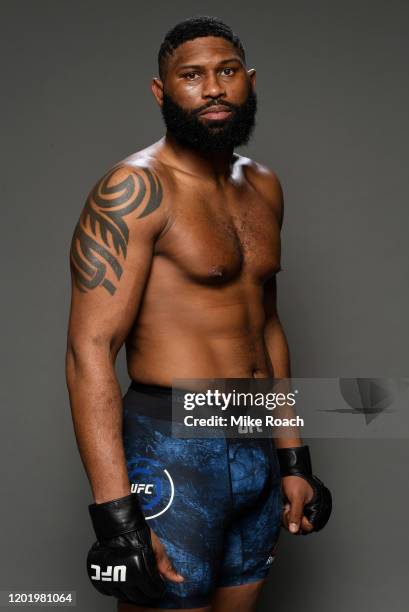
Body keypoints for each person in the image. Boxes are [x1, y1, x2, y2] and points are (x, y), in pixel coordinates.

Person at [66, 16, 331, 612]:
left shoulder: (263, 186)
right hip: (170, 447)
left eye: (227, 72)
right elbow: (89, 350)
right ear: (163, 93)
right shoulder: (133, 190)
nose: (213, 88)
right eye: (192, 76)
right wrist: (116, 518)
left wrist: (293, 455)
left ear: (250, 82)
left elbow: (265, 324)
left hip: (254, 441)